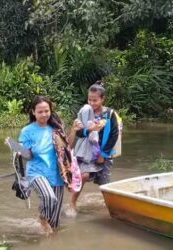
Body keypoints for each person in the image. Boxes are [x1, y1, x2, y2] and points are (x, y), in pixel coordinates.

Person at [68, 81, 119, 216]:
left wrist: (103, 154)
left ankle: (110, 208)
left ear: (102, 99)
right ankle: (72, 204)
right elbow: (79, 133)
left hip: (105, 152)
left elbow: (114, 135)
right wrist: (88, 129)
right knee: (82, 175)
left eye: (95, 100)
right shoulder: (85, 112)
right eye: (89, 99)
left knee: (104, 184)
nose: (91, 103)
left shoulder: (110, 114)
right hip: (87, 152)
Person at [18, 95, 67, 234]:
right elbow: (27, 156)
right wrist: (17, 148)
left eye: (47, 111)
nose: (44, 114)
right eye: (40, 111)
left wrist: (74, 131)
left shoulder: (56, 127)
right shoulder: (27, 131)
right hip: (36, 172)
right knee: (48, 197)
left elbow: (65, 148)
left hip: (57, 173)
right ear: (33, 112)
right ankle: (42, 218)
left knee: (55, 224)